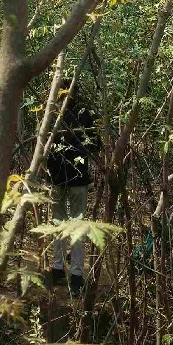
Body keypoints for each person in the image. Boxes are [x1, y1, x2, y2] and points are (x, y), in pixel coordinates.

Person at [46, 81, 100, 294]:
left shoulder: (54, 113)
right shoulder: (81, 113)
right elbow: (95, 145)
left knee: (62, 223)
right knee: (74, 224)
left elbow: (43, 144)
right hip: (68, 179)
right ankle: (71, 274)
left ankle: (63, 271)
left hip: (63, 178)